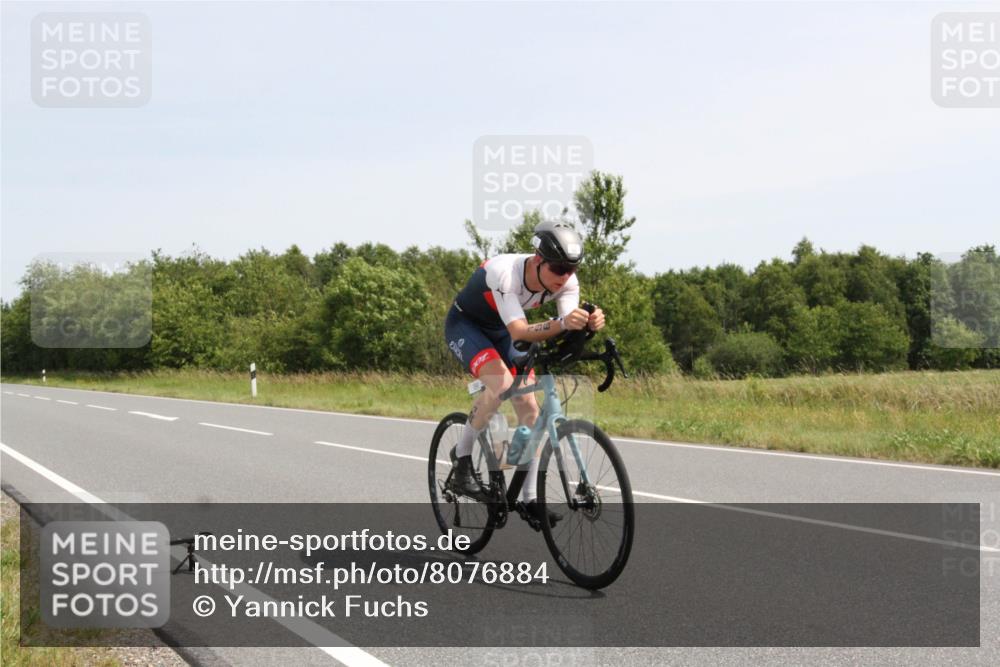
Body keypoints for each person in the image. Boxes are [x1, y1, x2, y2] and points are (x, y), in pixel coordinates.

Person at [444, 220, 605, 525]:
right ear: (538, 259)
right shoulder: (505, 273)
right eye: (558, 268)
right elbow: (521, 330)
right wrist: (564, 323)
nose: (565, 276)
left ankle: (530, 498)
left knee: (530, 408)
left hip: (503, 331)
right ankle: (462, 461)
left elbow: (565, 326)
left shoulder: (566, 282)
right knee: (501, 384)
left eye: (571, 269)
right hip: (467, 326)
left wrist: (588, 324)